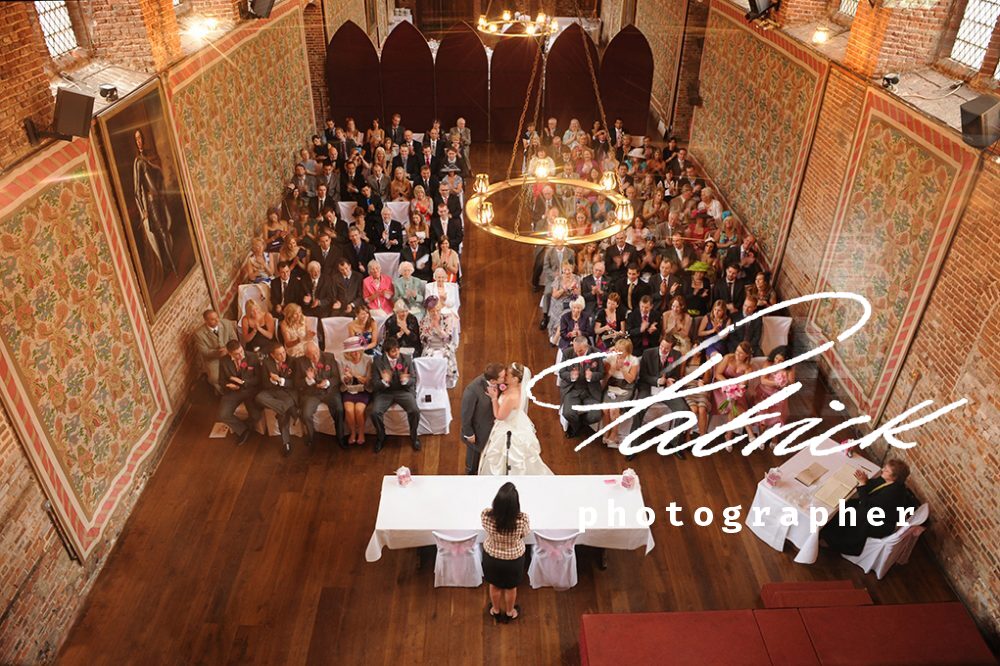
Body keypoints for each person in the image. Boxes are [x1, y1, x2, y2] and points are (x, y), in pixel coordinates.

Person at [821, 460, 917, 556]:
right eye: (885, 468)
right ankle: (827, 530)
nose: (883, 470)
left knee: (850, 515)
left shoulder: (892, 493)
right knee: (848, 504)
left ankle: (832, 541)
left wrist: (863, 484)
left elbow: (866, 506)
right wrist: (865, 480)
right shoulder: (889, 481)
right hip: (874, 511)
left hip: (879, 523)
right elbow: (874, 485)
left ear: (895, 477)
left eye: (887, 471)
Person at [478, 363, 552, 475]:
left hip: (509, 429)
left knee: (506, 456)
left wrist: (493, 398)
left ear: (515, 379)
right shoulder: (514, 387)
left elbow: (499, 416)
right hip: (517, 421)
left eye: (507, 375)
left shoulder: (512, 397)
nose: (505, 377)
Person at [628, 335, 689, 458]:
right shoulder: (648, 353)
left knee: (684, 411)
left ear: (671, 348)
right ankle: (633, 446)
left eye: (666, 349)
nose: (663, 350)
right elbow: (643, 376)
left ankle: (675, 444)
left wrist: (672, 380)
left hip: (666, 390)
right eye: (661, 346)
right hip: (649, 387)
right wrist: (656, 381)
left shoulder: (676, 356)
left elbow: (676, 375)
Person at [482, 482, 530, 623]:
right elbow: (525, 534)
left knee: (494, 585)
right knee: (510, 588)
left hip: (492, 557)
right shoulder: (522, 520)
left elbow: (485, 526)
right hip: (513, 559)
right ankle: (509, 612)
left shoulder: (486, 516)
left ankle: (496, 610)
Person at [370, 337, 421, 453]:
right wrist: (384, 381)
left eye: (398, 349)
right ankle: (381, 437)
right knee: (375, 413)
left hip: (402, 391)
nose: (397, 352)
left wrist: (405, 381)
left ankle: (414, 437)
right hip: (385, 393)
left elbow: (413, 379)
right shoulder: (377, 361)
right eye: (393, 351)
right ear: (387, 352)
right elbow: (375, 384)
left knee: (415, 411)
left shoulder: (406, 358)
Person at [295, 341, 346, 449]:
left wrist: (327, 383)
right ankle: (311, 436)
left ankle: (340, 437)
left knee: (339, 410)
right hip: (312, 393)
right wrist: (307, 379)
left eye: (316, 353)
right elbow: (296, 383)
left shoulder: (329, 357)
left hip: (329, 391)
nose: (315, 356)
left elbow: (336, 378)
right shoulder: (300, 362)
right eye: (311, 354)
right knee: (306, 414)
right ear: (306, 354)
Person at [460, 363, 505, 475]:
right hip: (479, 432)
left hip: (497, 427)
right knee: (473, 460)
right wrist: (469, 434)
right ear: (494, 381)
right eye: (503, 377)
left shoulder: (502, 383)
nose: (506, 378)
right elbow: (466, 415)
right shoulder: (472, 390)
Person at [255, 344, 298, 456]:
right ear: (272, 355)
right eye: (279, 354)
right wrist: (272, 381)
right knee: (259, 397)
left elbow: (296, 383)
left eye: (283, 352)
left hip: (287, 392)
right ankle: (284, 409)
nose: (283, 356)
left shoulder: (292, 361)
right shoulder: (266, 363)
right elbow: (264, 384)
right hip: (272, 391)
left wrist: (280, 380)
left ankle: (286, 443)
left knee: (282, 412)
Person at [217, 340, 261, 446]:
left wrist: (243, 382)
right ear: (230, 353)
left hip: (250, 390)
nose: (241, 355)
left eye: (241, 351)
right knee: (222, 415)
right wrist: (228, 385)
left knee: (255, 416)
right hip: (233, 392)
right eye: (237, 354)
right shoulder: (224, 361)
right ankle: (243, 430)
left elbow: (259, 378)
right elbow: (221, 380)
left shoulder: (253, 357)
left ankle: (248, 426)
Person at [559, 336, 604, 438]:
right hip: (573, 388)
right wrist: (570, 375)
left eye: (580, 351)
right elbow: (561, 372)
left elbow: (601, 373)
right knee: (568, 413)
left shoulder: (596, 353)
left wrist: (592, 376)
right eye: (576, 350)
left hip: (590, 390)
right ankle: (575, 425)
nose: (577, 354)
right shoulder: (568, 353)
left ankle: (581, 423)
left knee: (595, 416)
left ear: (586, 346)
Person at [713, 341, 756, 448]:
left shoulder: (748, 368)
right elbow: (717, 374)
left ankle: (729, 435)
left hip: (736, 392)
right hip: (721, 387)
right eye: (737, 351)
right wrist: (728, 384)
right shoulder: (728, 358)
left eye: (741, 353)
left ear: (747, 355)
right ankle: (749, 431)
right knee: (735, 404)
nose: (737, 354)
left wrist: (736, 389)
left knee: (734, 403)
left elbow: (743, 384)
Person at [602, 338, 638, 448]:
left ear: (628, 352)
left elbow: (631, 380)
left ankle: (614, 433)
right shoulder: (610, 357)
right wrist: (612, 370)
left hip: (626, 386)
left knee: (614, 409)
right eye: (617, 349)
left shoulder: (633, 360)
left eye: (621, 351)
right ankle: (606, 430)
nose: (618, 352)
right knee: (605, 408)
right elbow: (605, 377)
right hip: (612, 384)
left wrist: (622, 368)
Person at [195, 309, 240, 394]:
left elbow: (234, 339)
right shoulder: (199, 334)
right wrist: (217, 352)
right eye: (213, 319)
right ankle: (223, 392)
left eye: (217, 317)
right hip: (213, 359)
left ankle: (239, 388)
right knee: (214, 378)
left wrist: (227, 349)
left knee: (238, 369)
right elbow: (204, 351)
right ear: (206, 321)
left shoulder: (226, 324)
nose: (217, 320)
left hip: (230, 353)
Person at [420, 296, 458, 388]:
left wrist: (437, 328)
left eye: (437, 310)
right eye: (432, 311)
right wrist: (431, 329)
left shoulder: (447, 318)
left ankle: (446, 380)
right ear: (428, 311)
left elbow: (448, 338)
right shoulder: (424, 321)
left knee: (446, 358)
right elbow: (423, 339)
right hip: (430, 347)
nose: (435, 313)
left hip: (444, 346)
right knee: (429, 361)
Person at [340, 336, 372, 446]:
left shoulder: (368, 360)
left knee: (359, 410)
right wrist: (347, 378)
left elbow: (367, 381)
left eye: (357, 350)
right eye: (352, 352)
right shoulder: (343, 361)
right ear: (348, 353)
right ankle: (353, 433)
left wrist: (354, 375)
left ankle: (361, 433)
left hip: (363, 390)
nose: (355, 353)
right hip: (349, 391)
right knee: (349, 410)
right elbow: (343, 380)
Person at [755, 347, 794, 435]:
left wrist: (784, 382)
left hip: (778, 395)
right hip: (764, 392)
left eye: (781, 360)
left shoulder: (789, 369)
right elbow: (763, 380)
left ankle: (774, 437)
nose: (777, 361)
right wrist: (777, 383)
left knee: (778, 415)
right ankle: (761, 435)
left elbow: (791, 383)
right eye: (776, 358)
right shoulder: (768, 364)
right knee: (762, 414)